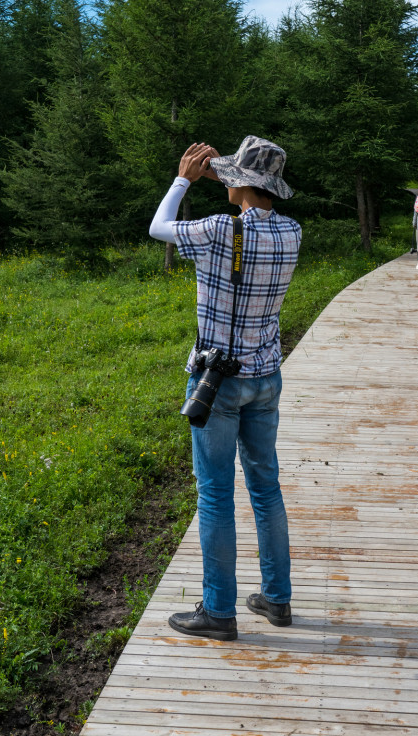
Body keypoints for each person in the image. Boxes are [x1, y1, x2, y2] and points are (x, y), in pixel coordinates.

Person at [149, 136, 301, 641]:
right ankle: (276, 598)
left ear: (240, 184)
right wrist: (228, 175)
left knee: (215, 495)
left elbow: (158, 227)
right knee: (266, 487)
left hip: (216, 383)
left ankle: (218, 611)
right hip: (265, 378)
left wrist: (184, 178)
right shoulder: (291, 233)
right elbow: (250, 197)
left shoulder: (217, 231)